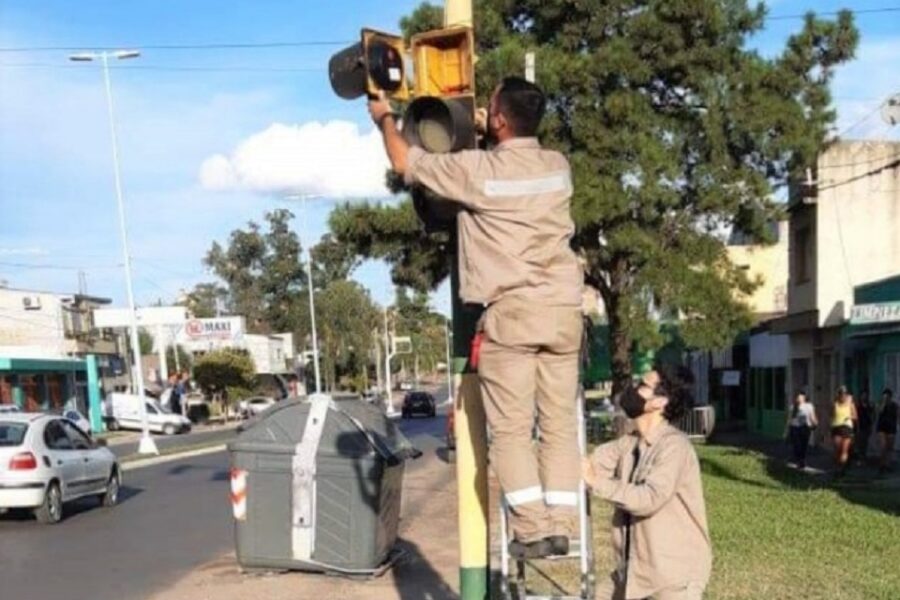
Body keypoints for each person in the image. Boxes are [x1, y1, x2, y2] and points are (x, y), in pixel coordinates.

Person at [368, 77, 584, 559]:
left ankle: (530, 529)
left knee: (509, 431)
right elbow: (513, 158)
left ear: (501, 119)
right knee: (558, 426)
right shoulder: (558, 167)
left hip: (513, 314)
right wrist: (494, 128)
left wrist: (383, 116)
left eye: (490, 110)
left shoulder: (477, 171)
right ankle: (563, 523)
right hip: (565, 311)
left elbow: (405, 161)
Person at [583, 365, 711, 600]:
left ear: (660, 401)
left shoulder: (675, 447)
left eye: (642, 386)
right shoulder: (629, 443)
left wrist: (595, 481)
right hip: (634, 572)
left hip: (672, 578)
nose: (632, 390)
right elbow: (590, 464)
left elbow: (648, 499)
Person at [784, 390, 818, 469]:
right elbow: (789, 420)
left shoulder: (809, 406)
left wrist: (815, 423)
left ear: (804, 397)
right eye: (797, 397)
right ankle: (798, 459)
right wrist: (786, 431)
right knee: (797, 445)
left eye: (800, 396)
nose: (798, 398)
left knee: (804, 445)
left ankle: (801, 460)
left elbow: (812, 416)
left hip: (805, 428)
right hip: (795, 428)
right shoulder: (793, 407)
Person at [830, 386, 857, 477]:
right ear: (838, 395)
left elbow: (855, 416)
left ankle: (841, 469)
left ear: (846, 395)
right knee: (838, 450)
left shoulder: (850, 404)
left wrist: (849, 417)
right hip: (837, 428)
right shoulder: (835, 404)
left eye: (844, 394)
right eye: (841, 394)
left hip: (846, 428)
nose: (842, 396)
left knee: (844, 450)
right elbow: (832, 416)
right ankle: (839, 468)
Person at [876, 388, 898, 475]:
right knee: (883, 447)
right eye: (885, 396)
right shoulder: (880, 404)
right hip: (882, 427)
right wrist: (883, 403)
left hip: (891, 427)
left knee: (889, 447)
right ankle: (882, 464)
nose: (887, 398)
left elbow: (897, 415)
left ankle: (888, 464)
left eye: (888, 396)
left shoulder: (895, 405)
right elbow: (879, 412)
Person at [854, 390, 874, 465]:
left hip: (867, 426)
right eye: (863, 395)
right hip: (860, 426)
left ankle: (863, 458)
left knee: (865, 443)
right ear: (860, 397)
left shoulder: (869, 405)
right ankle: (860, 459)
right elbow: (857, 417)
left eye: (865, 395)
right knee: (860, 443)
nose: (864, 397)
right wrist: (857, 427)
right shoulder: (858, 406)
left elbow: (871, 415)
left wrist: (871, 425)